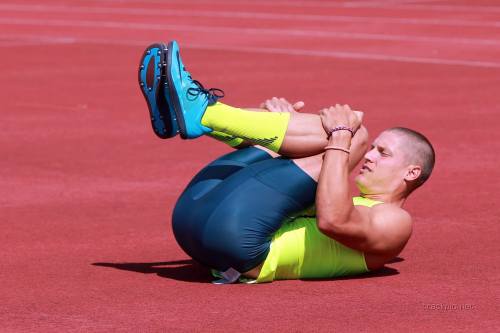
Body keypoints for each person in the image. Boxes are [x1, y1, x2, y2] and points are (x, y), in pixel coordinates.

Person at [138, 41, 435, 283]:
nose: (368, 156)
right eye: (373, 150)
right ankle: (197, 118)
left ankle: (204, 114)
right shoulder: (341, 195)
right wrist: (281, 125)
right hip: (195, 220)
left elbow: (334, 221)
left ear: (412, 172)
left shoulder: (396, 222)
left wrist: (342, 136)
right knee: (304, 139)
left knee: (354, 132)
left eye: (383, 153)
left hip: (238, 242)